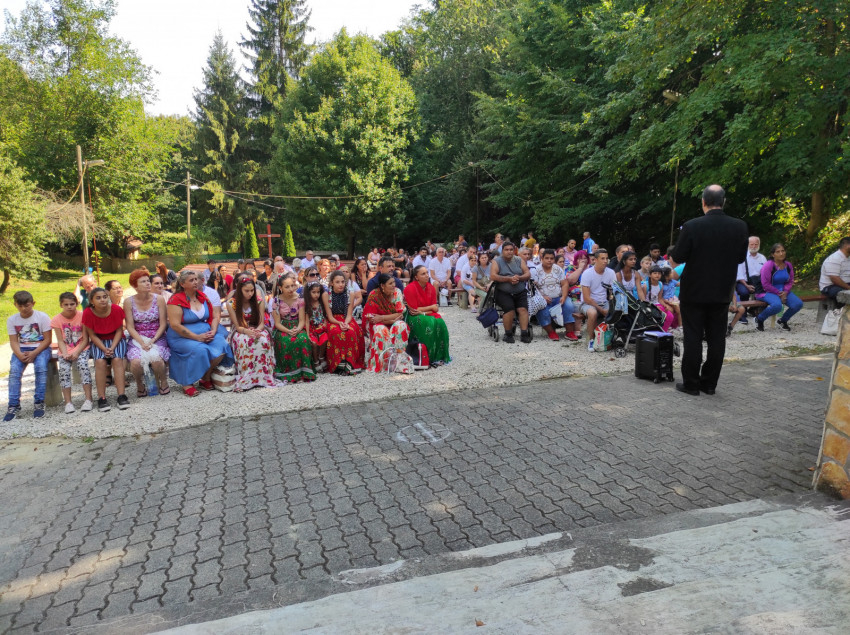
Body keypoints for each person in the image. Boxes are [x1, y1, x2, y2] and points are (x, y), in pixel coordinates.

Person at [670, 184, 748, 396]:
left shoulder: (692, 226)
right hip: (722, 290)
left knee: (693, 337)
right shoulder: (739, 226)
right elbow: (740, 258)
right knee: (717, 338)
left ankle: (691, 383)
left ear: (703, 202)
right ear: (724, 202)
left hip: (694, 291)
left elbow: (679, 256)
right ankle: (709, 383)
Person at [166, 270, 233, 397]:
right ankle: (187, 382)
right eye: (191, 280)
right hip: (181, 337)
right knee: (201, 350)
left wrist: (213, 331)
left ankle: (205, 377)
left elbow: (214, 317)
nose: (195, 282)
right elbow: (175, 325)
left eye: (196, 279)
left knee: (222, 344)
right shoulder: (175, 300)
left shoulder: (203, 297)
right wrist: (197, 337)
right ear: (182, 284)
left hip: (204, 333)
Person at [226, 277, 281, 391]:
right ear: (240, 290)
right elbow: (237, 326)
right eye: (246, 291)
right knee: (244, 341)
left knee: (263, 340)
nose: (250, 293)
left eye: (252, 290)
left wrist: (257, 331)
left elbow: (261, 323)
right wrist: (247, 331)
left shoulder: (259, 300)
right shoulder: (231, 303)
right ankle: (246, 378)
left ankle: (264, 377)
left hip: (257, 328)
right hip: (240, 330)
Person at [5, 291, 53, 421]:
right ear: (15, 305)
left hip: (41, 348)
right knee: (14, 371)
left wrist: (34, 352)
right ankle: (13, 405)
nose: (23, 309)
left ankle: (39, 402)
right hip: (22, 349)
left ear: (33, 303)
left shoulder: (42, 317)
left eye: (26, 305)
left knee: (40, 368)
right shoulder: (12, 320)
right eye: (20, 306)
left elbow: (47, 340)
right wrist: (19, 354)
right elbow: (13, 341)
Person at [82, 287, 130, 411]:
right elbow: (92, 335)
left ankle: (121, 395)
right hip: (99, 341)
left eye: (104, 297)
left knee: (117, 360)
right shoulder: (88, 313)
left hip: (116, 339)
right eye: (98, 298)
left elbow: (119, 331)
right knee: (100, 362)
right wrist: (104, 349)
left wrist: (112, 348)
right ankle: (101, 398)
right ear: (92, 301)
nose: (102, 300)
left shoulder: (116, 309)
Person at [124, 269, 170, 397]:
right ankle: (140, 385)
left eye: (148, 281)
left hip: (157, 336)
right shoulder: (128, 302)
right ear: (135, 286)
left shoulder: (159, 299)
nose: (147, 283)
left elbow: (163, 324)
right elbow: (130, 326)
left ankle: (164, 381)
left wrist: (153, 340)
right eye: (143, 281)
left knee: (156, 360)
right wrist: (141, 342)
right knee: (136, 362)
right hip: (137, 338)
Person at [52, 292, 94, 413]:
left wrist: (76, 352)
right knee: (64, 370)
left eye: (72, 304)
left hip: (82, 348)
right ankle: (68, 402)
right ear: (61, 305)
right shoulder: (56, 319)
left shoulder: (82, 316)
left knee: (83, 365)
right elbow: (60, 340)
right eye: (66, 304)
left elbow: (86, 339)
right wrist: (65, 353)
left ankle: (88, 399)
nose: (69, 307)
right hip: (65, 350)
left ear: (76, 304)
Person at [362, 273, 412, 373]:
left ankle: (399, 363)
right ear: (382, 285)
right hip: (377, 324)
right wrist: (391, 319)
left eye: (394, 282)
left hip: (390, 322)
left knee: (401, 326)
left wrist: (383, 318)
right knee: (381, 330)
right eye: (390, 283)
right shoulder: (374, 295)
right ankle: (381, 364)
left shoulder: (397, 292)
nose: (394, 285)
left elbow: (400, 313)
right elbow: (372, 319)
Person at [271, 273, 315, 383]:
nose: (291, 289)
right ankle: (287, 372)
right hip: (283, 327)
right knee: (285, 340)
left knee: (302, 339)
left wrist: (298, 329)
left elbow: (302, 320)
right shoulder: (276, 301)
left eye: (292, 285)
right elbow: (277, 323)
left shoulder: (300, 299)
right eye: (287, 287)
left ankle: (304, 371)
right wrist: (288, 331)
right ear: (280, 288)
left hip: (297, 326)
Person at [404, 265, 451, 364]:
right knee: (429, 322)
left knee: (440, 323)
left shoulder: (431, 288)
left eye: (426, 273)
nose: (426, 275)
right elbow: (414, 310)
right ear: (416, 277)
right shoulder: (409, 288)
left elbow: (436, 308)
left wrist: (424, 311)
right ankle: (426, 355)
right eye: (423, 274)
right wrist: (430, 308)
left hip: (426, 314)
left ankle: (438, 355)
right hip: (413, 316)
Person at [323, 271, 365, 375]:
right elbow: (329, 316)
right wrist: (339, 323)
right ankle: (338, 364)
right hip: (333, 319)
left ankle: (350, 363)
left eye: (342, 282)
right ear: (332, 283)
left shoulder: (350, 294)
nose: (341, 284)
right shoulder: (326, 295)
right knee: (336, 332)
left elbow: (349, 314)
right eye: (337, 282)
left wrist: (345, 323)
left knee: (351, 332)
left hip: (346, 318)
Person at [753, 243, 803, 332]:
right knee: (777, 306)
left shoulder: (788, 265)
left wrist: (785, 291)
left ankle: (783, 320)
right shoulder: (768, 265)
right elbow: (765, 284)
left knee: (798, 304)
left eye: (783, 251)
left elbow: (790, 281)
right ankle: (759, 319)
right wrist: (779, 293)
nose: (781, 253)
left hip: (783, 291)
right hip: (765, 291)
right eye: (778, 252)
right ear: (773, 254)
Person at [490, 242, 532, 343]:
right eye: (506, 250)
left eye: (511, 250)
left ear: (514, 251)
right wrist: (508, 279)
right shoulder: (497, 261)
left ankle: (524, 333)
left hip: (520, 290)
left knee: (523, 309)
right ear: (502, 251)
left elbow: (527, 273)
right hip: (503, 291)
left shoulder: (519, 260)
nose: (509, 252)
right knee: (509, 310)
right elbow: (493, 276)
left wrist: (519, 278)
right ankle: (508, 334)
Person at [533, 249, 578, 341]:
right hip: (543, 299)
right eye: (547, 258)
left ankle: (569, 332)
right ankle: (551, 332)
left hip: (559, 297)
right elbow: (533, 287)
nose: (549, 260)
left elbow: (564, 284)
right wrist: (542, 297)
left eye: (551, 258)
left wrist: (564, 296)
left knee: (568, 305)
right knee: (541, 309)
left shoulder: (558, 269)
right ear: (542, 258)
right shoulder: (536, 270)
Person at [580, 249, 617, 352]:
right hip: (587, 303)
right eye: (602, 258)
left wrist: (611, 304)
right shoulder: (587, 273)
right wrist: (602, 310)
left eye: (606, 258)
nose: (605, 261)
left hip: (604, 301)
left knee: (616, 311)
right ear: (595, 260)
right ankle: (591, 340)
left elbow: (613, 292)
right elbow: (587, 298)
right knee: (592, 313)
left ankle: (611, 339)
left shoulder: (611, 272)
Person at [735, 237, 767, 319]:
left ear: (759, 245)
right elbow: (739, 275)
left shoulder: (762, 258)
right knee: (744, 292)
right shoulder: (742, 257)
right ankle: (743, 312)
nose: (754, 246)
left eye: (756, 244)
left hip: (757, 281)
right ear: (747, 245)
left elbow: (766, 273)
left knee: (765, 292)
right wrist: (747, 286)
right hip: (743, 282)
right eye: (751, 244)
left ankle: (753, 309)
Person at [304, 282, 330, 371]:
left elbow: (325, 315)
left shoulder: (321, 302)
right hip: (312, 329)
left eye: (318, 292)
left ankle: (321, 357)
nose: (316, 295)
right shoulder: (307, 305)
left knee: (325, 339)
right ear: (308, 293)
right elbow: (307, 321)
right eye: (313, 292)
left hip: (322, 327)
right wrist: (307, 334)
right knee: (314, 343)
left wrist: (325, 323)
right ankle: (315, 361)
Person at [643, 266, 676, 332]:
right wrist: (654, 307)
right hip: (649, 306)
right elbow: (643, 300)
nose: (657, 275)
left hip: (657, 304)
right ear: (650, 275)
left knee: (670, 316)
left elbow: (660, 298)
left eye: (659, 273)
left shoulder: (660, 284)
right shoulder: (645, 285)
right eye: (655, 273)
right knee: (660, 315)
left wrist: (665, 305)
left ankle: (664, 331)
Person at [819, 237, 850, 305]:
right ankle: (840, 310)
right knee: (843, 294)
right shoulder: (834, 258)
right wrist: (848, 288)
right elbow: (834, 279)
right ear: (846, 245)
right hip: (830, 287)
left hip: (845, 284)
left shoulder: (847, 259)